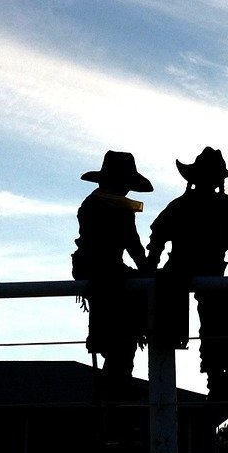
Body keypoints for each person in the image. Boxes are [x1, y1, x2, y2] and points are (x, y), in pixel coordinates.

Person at [146, 147, 228, 404]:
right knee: (218, 324)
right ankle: (220, 382)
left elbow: (157, 235)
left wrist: (150, 266)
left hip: (178, 271)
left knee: (174, 323)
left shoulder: (181, 205)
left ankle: (216, 382)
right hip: (212, 272)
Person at [72, 150, 153, 405]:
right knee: (123, 341)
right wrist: (148, 271)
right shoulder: (117, 208)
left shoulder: (90, 204)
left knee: (111, 340)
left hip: (93, 271)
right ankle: (118, 396)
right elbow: (133, 244)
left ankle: (113, 395)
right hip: (110, 274)